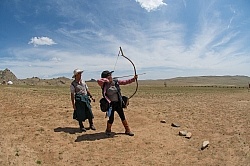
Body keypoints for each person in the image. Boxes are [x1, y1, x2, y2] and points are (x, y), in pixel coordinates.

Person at [97, 70, 138, 136]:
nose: (111, 76)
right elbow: (99, 81)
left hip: (118, 103)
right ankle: (108, 130)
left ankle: (127, 130)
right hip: (110, 104)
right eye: (109, 75)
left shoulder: (115, 81)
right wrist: (107, 80)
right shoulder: (104, 84)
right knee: (111, 118)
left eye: (111, 75)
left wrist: (133, 79)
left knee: (122, 116)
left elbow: (125, 82)